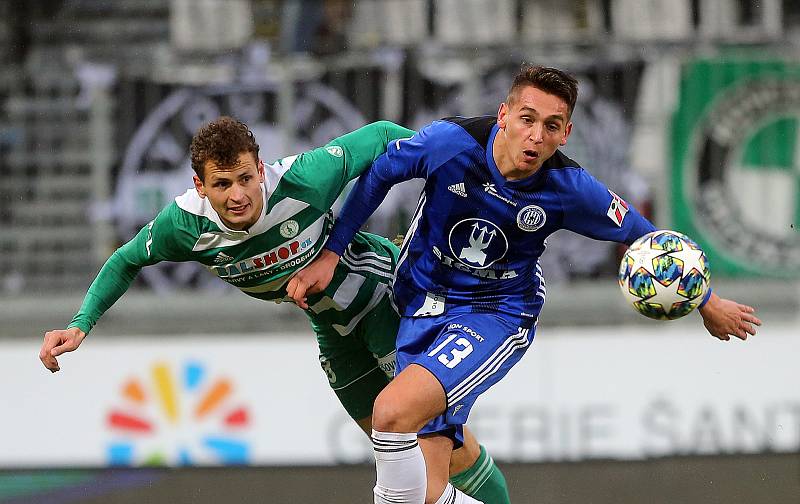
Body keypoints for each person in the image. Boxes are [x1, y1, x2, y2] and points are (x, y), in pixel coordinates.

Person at [286, 65, 763, 504]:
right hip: (417, 305)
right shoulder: (449, 144)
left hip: (492, 316)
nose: (536, 136)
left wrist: (707, 301)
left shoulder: (569, 187)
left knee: (390, 415)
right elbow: (379, 175)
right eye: (528, 119)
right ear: (505, 115)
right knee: (423, 494)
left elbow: (648, 239)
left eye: (551, 126)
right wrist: (331, 254)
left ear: (566, 133)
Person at [38, 117, 511, 503]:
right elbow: (126, 259)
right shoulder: (182, 226)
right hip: (333, 334)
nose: (239, 194)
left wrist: (462, 183)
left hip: (384, 300)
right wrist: (81, 325)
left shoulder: (305, 178)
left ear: (260, 168)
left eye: (246, 178)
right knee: (398, 464)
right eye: (223, 184)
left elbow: (384, 137)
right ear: (199, 185)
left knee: (441, 455)